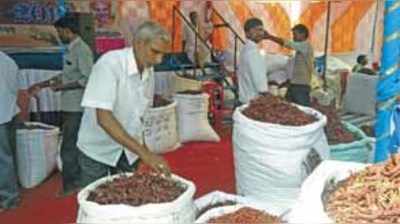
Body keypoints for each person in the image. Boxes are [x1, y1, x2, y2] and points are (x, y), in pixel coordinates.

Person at [76, 21, 171, 188]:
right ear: (139, 43)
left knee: (127, 201)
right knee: (95, 205)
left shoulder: (149, 70)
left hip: (128, 151)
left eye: (163, 54)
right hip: (97, 149)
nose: (159, 60)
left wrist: (143, 152)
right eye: (155, 52)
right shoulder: (109, 64)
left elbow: (139, 116)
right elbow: (104, 118)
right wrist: (145, 153)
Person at [29, 13, 94, 196]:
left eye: (60, 32)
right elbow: (67, 75)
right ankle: (76, 182)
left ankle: (71, 185)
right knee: (71, 145)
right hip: (68, 105)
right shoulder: (71, 49)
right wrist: (43, 84)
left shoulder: (82, 49)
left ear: (67, 31)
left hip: (76, 107)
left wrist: (62, 87)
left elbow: (87, 79)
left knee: (68, 147)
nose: (59, 35)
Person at [265, 24, 314, 106]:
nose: (293, 37)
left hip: (301, 86)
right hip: (294, 84)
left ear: (303, 34)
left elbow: (288, 44)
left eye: (295, 34)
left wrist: (270, 37)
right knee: (288, 107)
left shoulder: (306, 45)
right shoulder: (299, 50)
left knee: (303, 110)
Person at [0, 51, 20, 212]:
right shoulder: (9, 60)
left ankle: (9, 198)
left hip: (1, 116)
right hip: (11, 112)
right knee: (9, 155)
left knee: (3, 159)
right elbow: (15, 88)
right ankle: (12, 190)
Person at [237, 18, 268, 104]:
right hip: (253, 101)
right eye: (256, 30)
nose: (260, 33)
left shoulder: (245, 50)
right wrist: (266, 94)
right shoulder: (253, 52)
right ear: (247, 33)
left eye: (261, 30)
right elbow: (259, 79)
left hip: (245, 98)